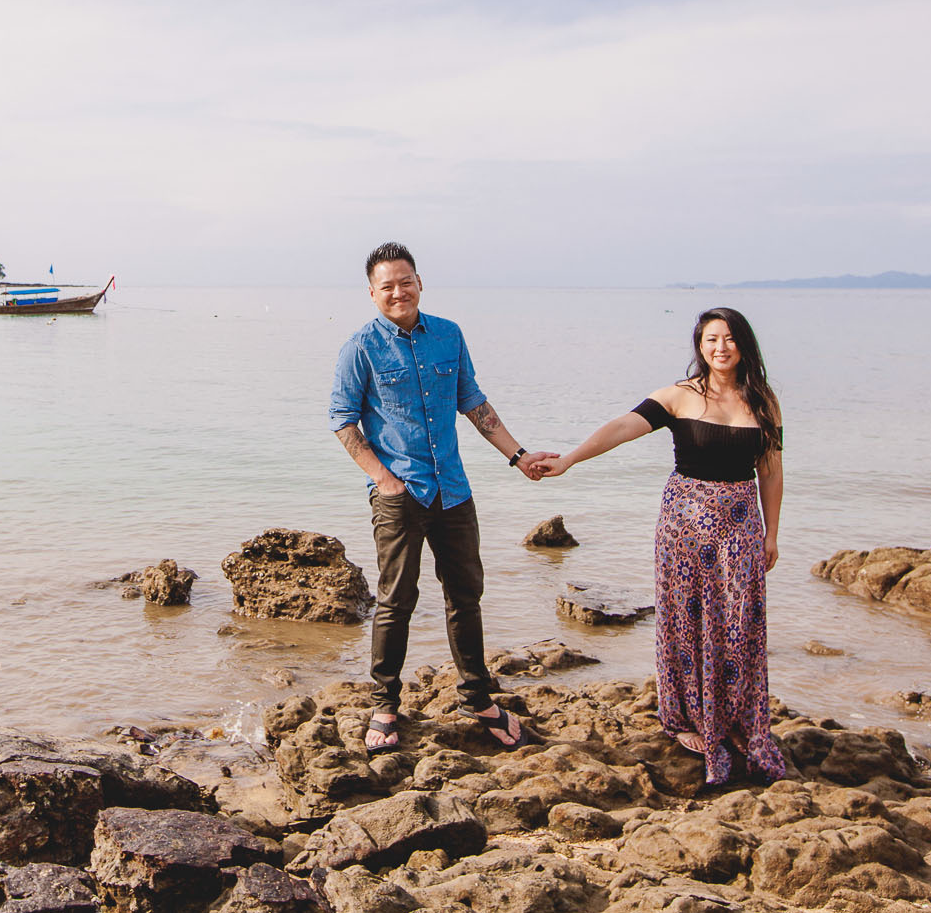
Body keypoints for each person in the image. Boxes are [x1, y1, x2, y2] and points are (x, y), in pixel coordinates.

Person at [532, 307, 786, 784]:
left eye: (729, 339)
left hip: (741, 524)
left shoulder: (764, 401)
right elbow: (622, 427)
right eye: (711, 339)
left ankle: (732, 719)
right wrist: (568, 460)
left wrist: (772, 533)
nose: (720, 348)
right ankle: (688, 718)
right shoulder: (679, 396)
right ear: (700, 346)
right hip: (684, 526)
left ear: (744, 344)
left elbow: (770, 472)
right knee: (685, 617)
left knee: (737, 621)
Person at [330, 242, 544, 754]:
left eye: (406, 282)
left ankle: (478, 696)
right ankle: (385, 703)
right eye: (387, 286)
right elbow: (343, 420)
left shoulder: (448, 335)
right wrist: (384, 481)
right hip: (399, 494)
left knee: (465, 596)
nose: (398, 292)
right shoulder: (359, 347)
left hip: (453, 490)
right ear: (372, 293)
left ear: (420, 283)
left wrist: (519, 456)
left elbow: (473, 402)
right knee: (395, 601)